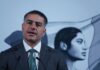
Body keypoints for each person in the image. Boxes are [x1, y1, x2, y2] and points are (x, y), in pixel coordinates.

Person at [0, 10, 67, 70]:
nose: (33, 27)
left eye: (38, 24)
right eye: (29, 23)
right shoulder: (5, 56)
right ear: (23, 27)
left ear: (44, 32)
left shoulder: (58, 56)